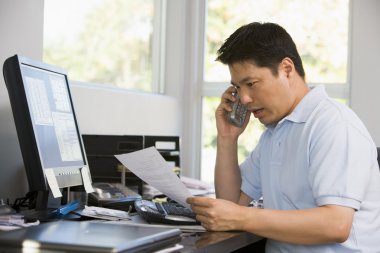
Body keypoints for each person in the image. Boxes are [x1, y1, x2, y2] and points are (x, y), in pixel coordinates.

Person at [186, 22, 380, 252]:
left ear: (286, 69)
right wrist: (227, 138)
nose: (245, 98)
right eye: (238, 88)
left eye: (251, 83)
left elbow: (336, 225)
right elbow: (230, 205)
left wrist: (242, 217)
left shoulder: (334, 124)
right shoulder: (275, 133)